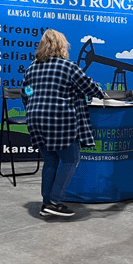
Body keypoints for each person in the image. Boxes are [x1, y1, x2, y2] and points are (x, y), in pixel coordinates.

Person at [22, 29, 106, 218]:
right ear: (62, 46)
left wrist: (35, 106)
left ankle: (46, 203)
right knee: (71, 159)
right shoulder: (68, 67)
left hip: (35, 120)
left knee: (50, 161)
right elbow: (90, 88)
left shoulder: (31, 68)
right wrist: (100, 91)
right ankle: (55, 201)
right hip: (60, 120)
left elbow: (26, 93)